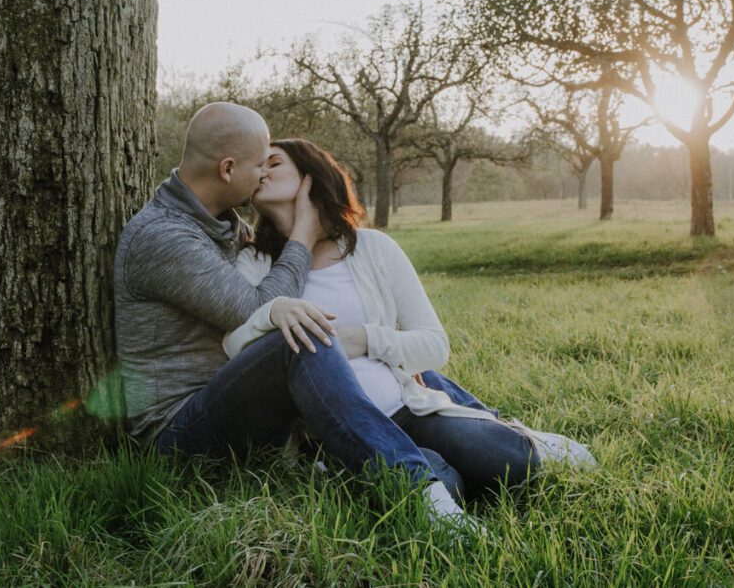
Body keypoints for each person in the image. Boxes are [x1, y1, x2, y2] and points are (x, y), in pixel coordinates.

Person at [114, 102, 500, 527]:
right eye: (261, 165)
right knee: (300, 338)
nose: (264, 174)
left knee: (371, 364)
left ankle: (472, 435)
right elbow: (256, 311)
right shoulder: (163, 238)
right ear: (228, 169)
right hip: (179, 431)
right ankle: (425, 496)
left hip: (249, 406)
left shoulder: (224, 225)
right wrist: (302, 234)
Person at [223, 138, 596, 513]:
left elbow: (435, 345)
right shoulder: (254, 262)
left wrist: (365, 338)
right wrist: (275, 313)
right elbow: (233, 343)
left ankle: (517, 438)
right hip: (336, 432)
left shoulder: (371, 248)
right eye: (258, 166)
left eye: (273, 163)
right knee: (446, 487)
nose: (261, 172)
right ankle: (424, 466)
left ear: (310, 177)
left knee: (515, 465)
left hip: (406, 407)